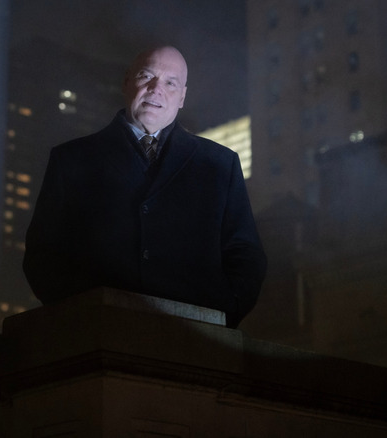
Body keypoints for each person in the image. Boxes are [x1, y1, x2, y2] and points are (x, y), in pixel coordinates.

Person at [22, 46, 266, 328]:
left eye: (170, 82)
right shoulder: (71, 159)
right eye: (146, 76)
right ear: (127, 82)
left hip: (194, 337)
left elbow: (246, 255)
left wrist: (220, 312)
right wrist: (78, 311)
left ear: (182, 97)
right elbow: (43, 253)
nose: (155, 89)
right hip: (95, 329)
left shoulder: (220, 165)